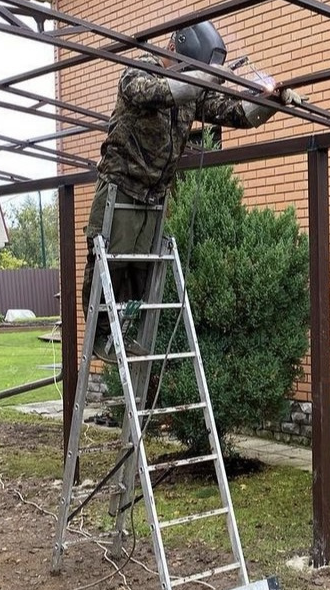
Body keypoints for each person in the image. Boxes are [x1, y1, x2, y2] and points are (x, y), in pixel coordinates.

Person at [83, 21, 300, 358]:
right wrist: (206, 77)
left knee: (141, 272)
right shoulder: (139, 72)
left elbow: (234, 112)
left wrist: (271, 102)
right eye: (191, 67)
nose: (193, 74)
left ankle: (127, 333)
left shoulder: (192, 90)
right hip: (120, 187)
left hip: (154, 195)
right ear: (175, 48)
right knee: (110, 265)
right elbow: (158, 92)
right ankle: (99, 337)